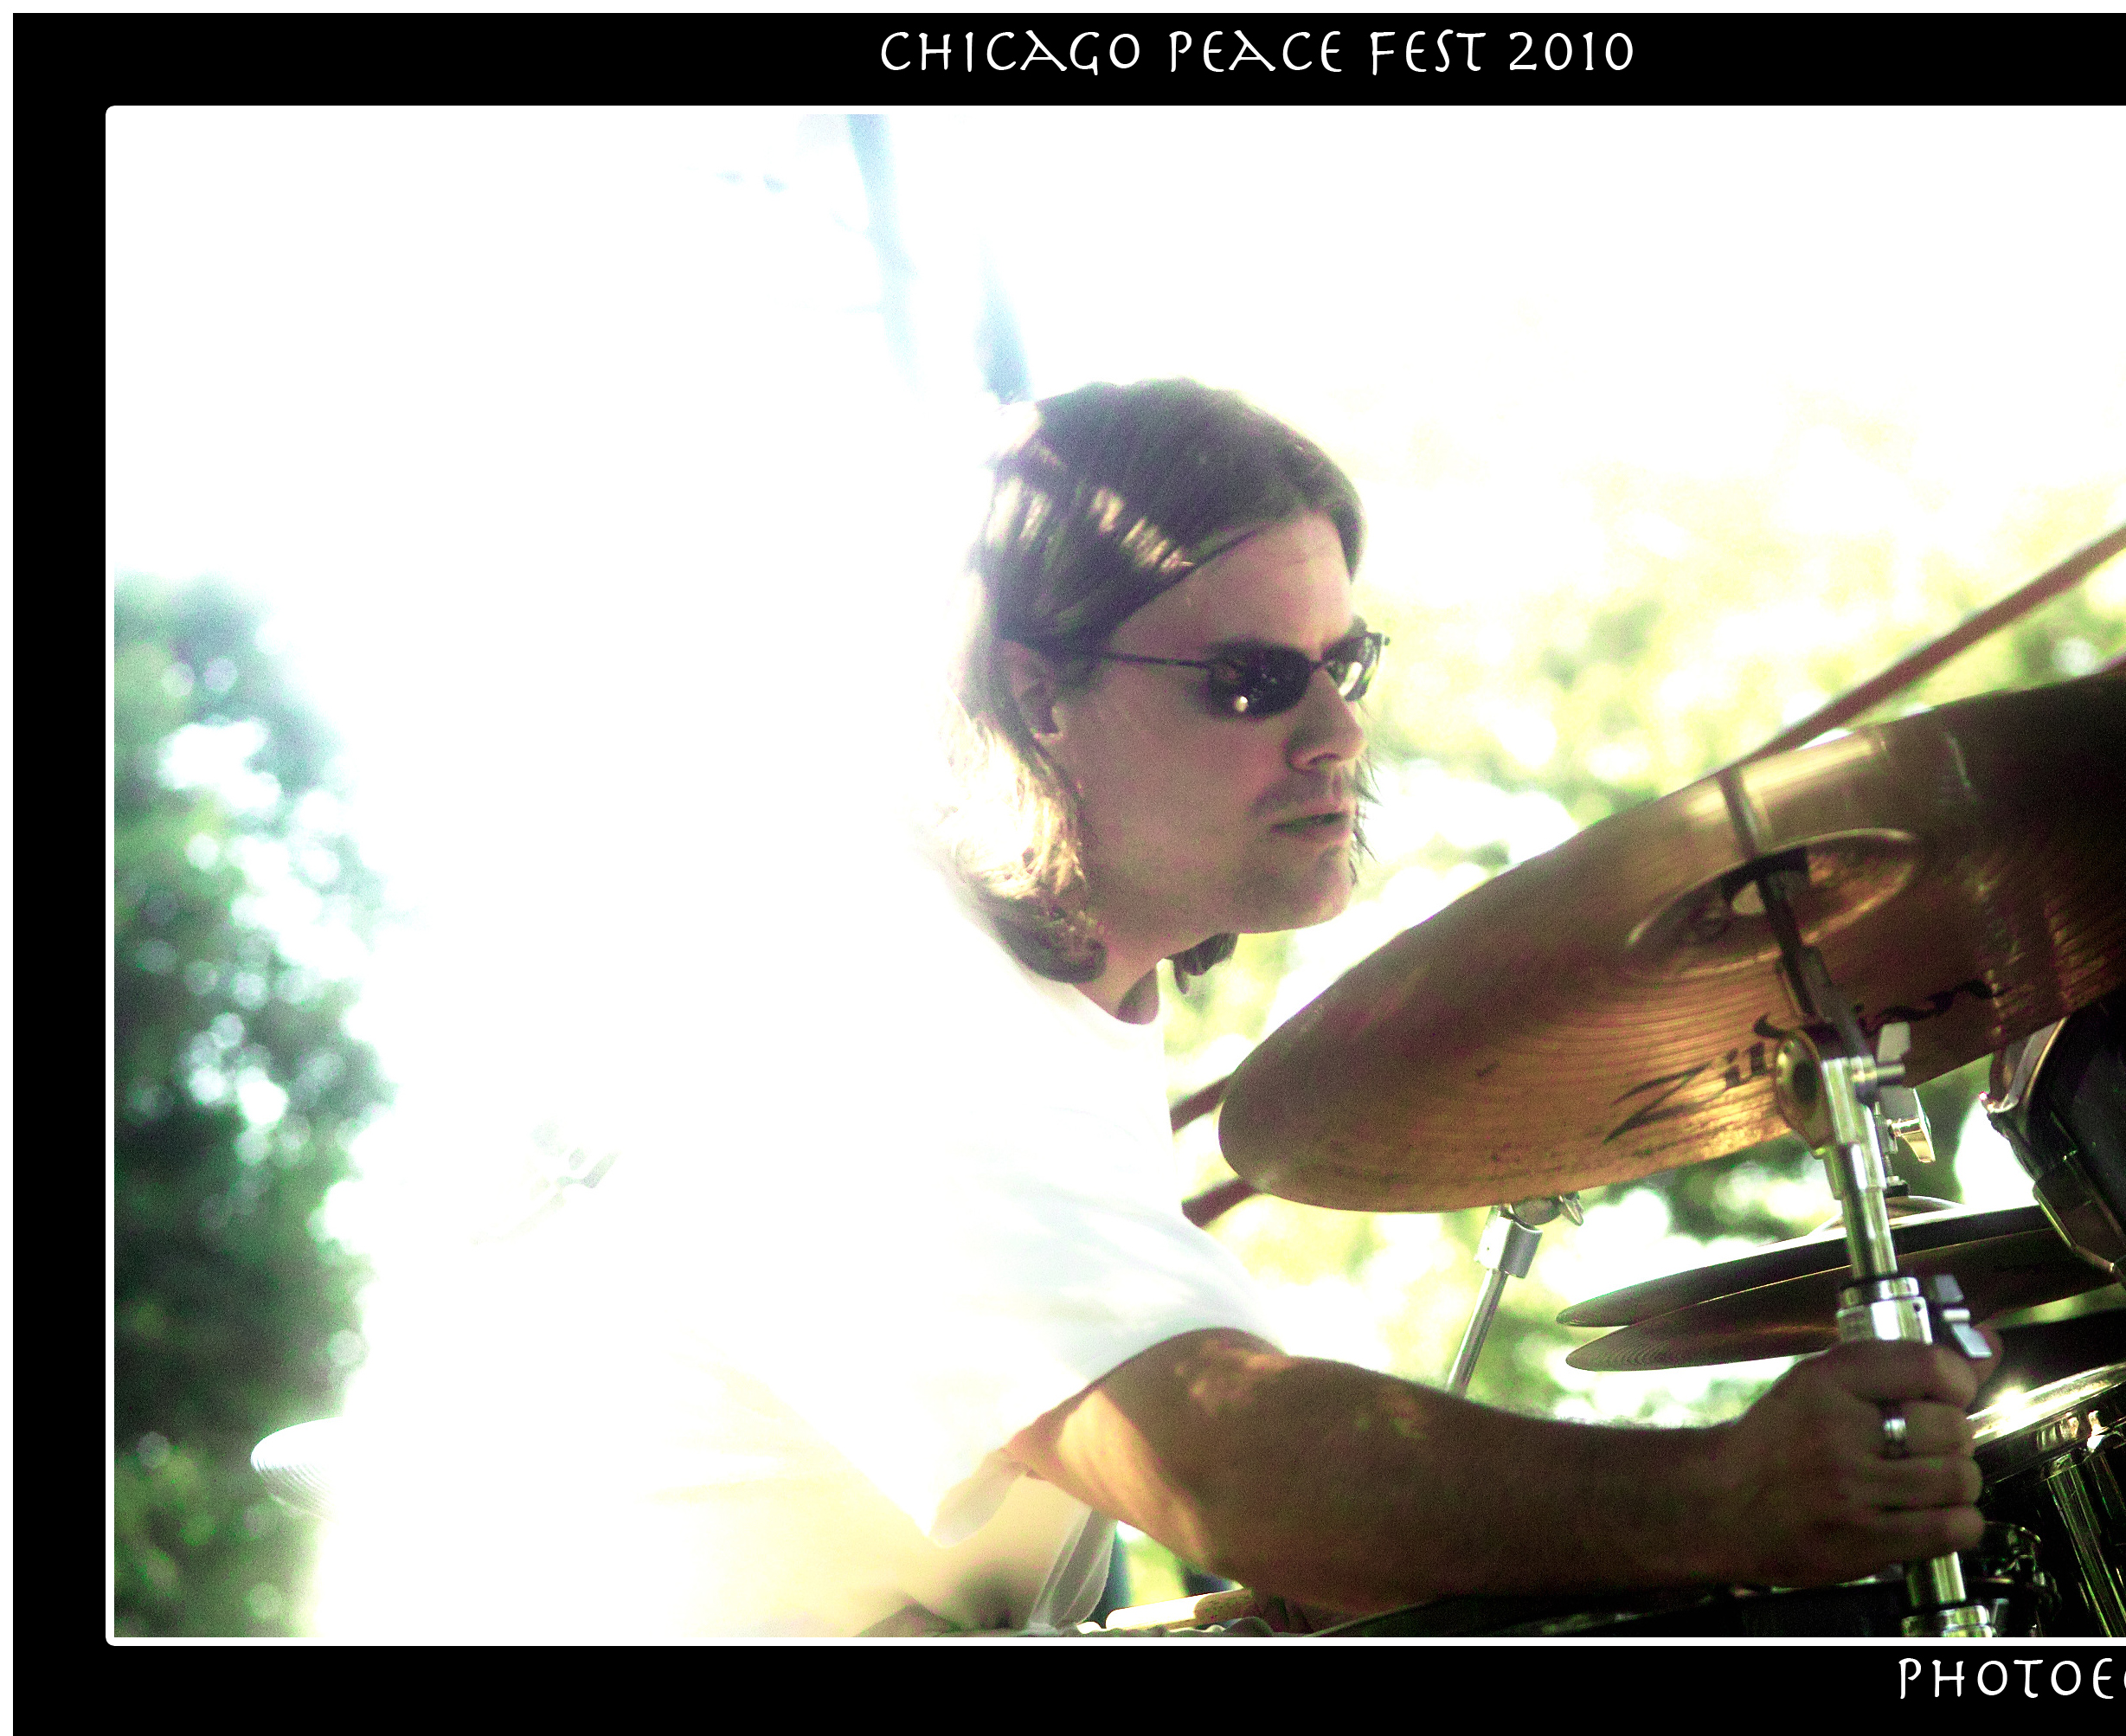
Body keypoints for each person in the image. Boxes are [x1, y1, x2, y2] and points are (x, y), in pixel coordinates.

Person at [302, 379, 1994, 1640]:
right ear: (1036, 696)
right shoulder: (868, 1002)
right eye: (1251, 681)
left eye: (1346, 664)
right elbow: (1225, 1459)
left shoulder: (1054, 1009)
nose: (1335, 732)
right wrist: (1719, 1496)